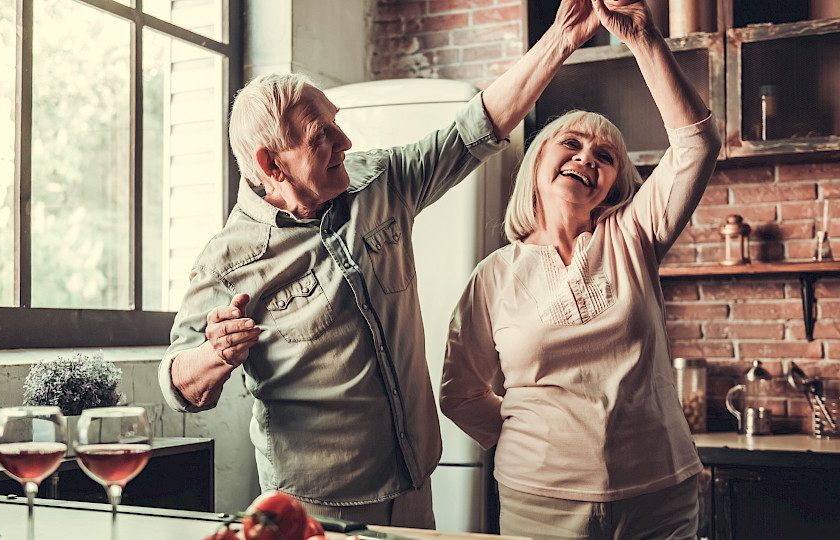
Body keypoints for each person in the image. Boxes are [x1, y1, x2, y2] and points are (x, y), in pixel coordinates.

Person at [158, 0, 602, 527]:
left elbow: (472, 131)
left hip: (414, 483)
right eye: (321, 136)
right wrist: (214, 354)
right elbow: (178, 385)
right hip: (316, 507)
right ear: (271, 164)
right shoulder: (228, 259)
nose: (345, 142)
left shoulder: (379, 182)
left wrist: (562, 38)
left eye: (336, 123)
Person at [438, 0, 722, 538]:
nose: (587, 157)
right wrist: (537, 441)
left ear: (612, 185)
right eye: (571, 144)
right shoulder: (494, 275)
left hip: (659, 495)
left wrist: (642, 38)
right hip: (538, 500)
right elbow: (461, 394)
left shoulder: (632, 234)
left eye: (605, 156)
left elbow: (696, 144)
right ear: (536, 163)